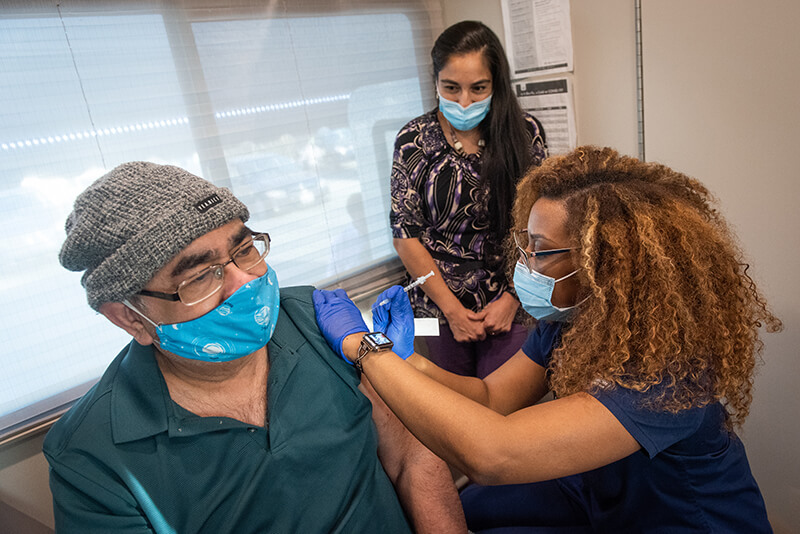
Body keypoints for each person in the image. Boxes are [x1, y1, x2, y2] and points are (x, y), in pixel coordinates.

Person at [314, 146, 782, 532]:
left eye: (539, 251)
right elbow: (491, 397)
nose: (524, 266)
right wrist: (408, 360)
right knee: (475, 508)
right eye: (526, 245)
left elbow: (494, 453)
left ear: (606, 263)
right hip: (603, 500)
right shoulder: (574, 322)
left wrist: (365, 349)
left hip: (684, 522)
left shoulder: (665, 371)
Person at [43, 162, 466, 533]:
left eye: (243, 249)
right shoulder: (91, 456)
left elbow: (411, 456)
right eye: (201, 277)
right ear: (129, 317)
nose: (245, 281)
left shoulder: (315, 319)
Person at [390, 20, 547, 378]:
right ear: (436, 83)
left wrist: (512, 298)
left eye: (478, 88)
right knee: (454, 415)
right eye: (451, 88)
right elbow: (405, 235)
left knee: (507, 410)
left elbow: (541, 226)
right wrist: (453, 312)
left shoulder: (525, 133)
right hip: (438, 305)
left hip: (513, 299)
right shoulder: (413, 139)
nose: (464, 101)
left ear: (497, 85)